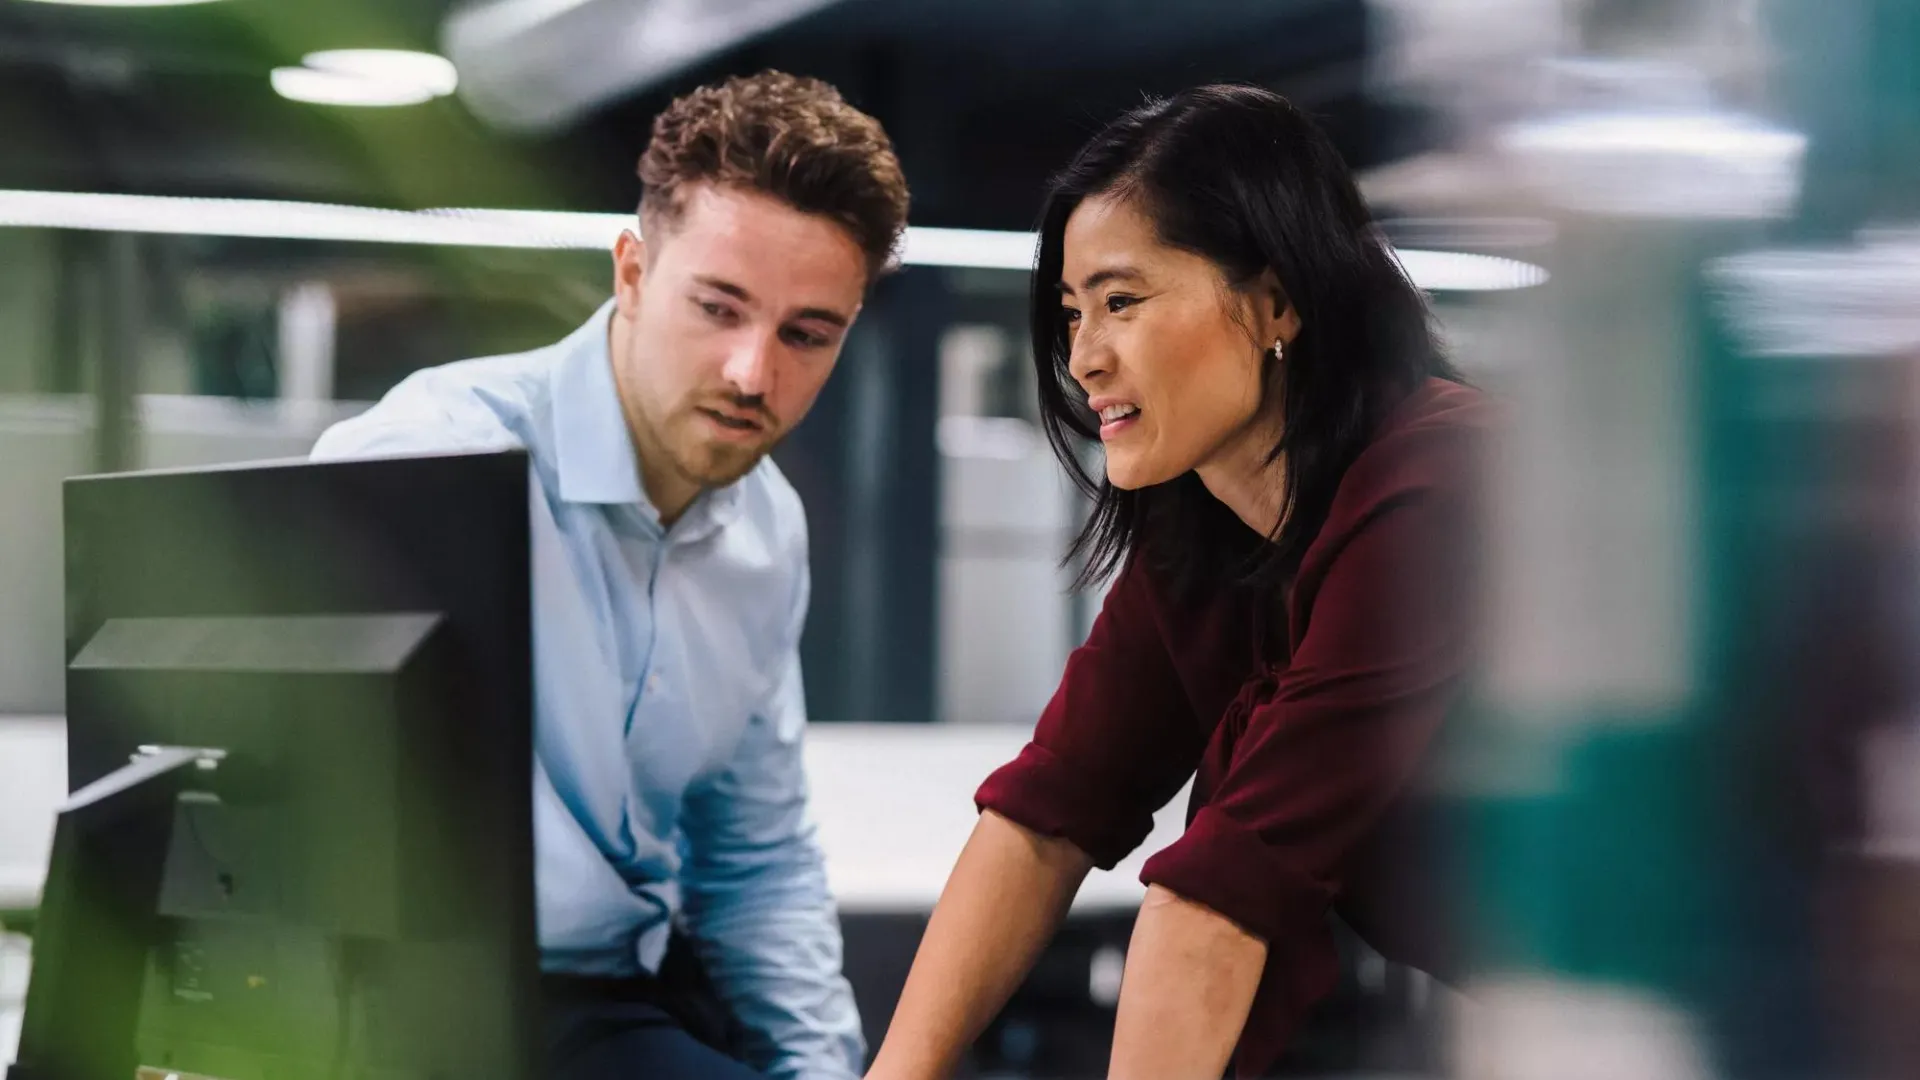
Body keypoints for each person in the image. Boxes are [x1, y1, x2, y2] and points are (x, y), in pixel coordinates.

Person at [866, 84, 1488, 1080]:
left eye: (1122, 301)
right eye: (1072, 313)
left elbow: (1222, 893)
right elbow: (1043, 819)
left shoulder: (1437, 491)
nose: (1084, 357)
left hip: (1736, 998)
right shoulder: (1203, 534)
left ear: (1279, 300)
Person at [311, 71, 910, 1080]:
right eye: (718, 308)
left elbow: (754, 861)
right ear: (631, 272)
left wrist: (822, 1073)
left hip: (612, 1002)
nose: (751, 373)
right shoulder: (440, 457)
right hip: (405, 1010)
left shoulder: (767, 531)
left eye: (807, 334)